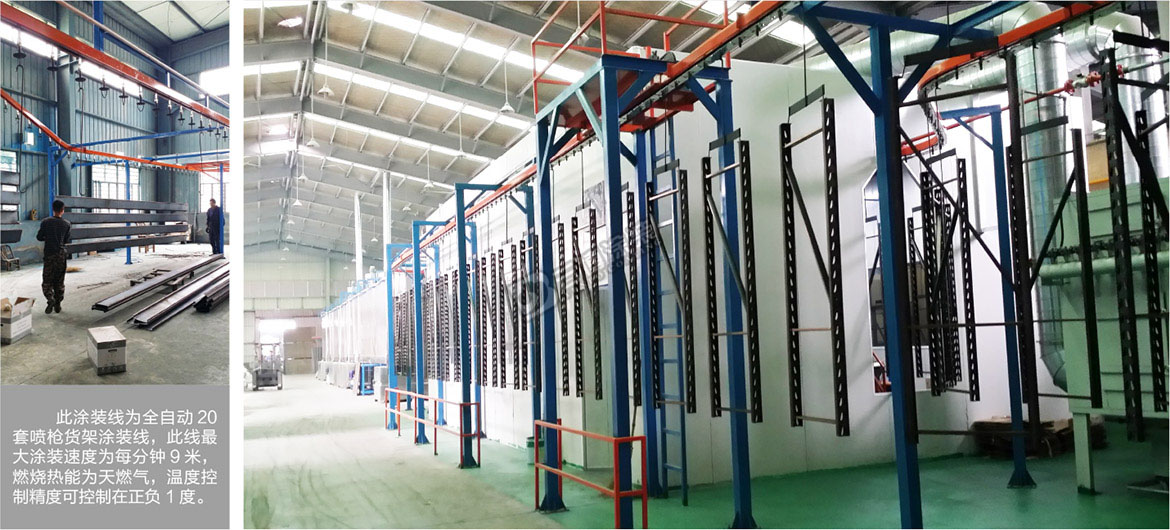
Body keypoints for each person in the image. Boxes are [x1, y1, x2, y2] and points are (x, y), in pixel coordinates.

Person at [36, 199, 71, 314]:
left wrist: (48, 237)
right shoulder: (67, 224)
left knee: (47, 280)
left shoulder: (45, 222)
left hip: (49, 254)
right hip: (61, 255)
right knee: (59, 280)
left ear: (53, 209)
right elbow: (67, 240)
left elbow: (39, 237)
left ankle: (50, 299)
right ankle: (58, 304)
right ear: (62, 210)